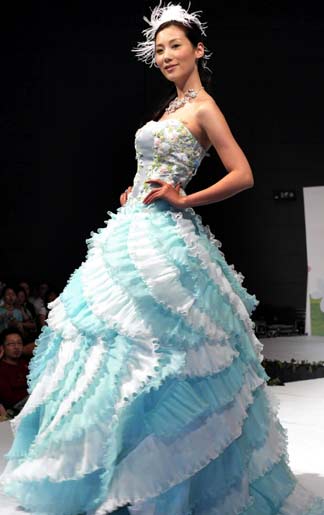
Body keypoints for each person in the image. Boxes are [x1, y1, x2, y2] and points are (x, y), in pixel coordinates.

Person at [1, 3, 323, 514]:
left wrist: (184, 198)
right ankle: (115, 473)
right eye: (159, 49)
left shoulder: (203, 107)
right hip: (132, 231)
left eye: (175, 45)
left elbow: (242, 173)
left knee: (170, 354)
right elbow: (151, 162)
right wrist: (135, 188)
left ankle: (168, 477)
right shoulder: (168, 110)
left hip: (169, 238)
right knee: (117, 346)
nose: (166, 55)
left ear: (198, 49)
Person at [0, 328, 29, 420]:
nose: (16, 347)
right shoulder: (1, 368)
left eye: (19, 343)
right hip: (14, 411)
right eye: (11, 344)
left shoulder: (26, 363)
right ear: (2, 347)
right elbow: (8, 399)